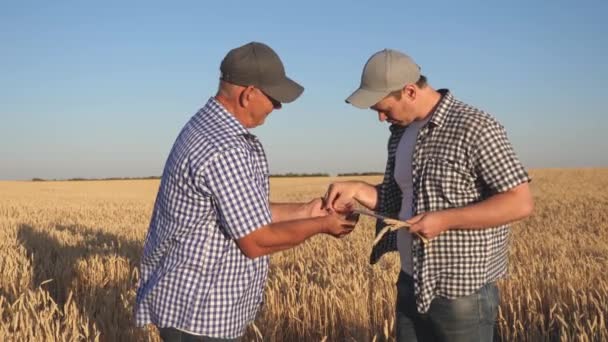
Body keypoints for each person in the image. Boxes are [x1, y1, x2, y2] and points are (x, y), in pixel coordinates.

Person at [134, 42, 358, 341]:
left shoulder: (206, 127)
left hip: (188, 307)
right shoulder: (226, 147)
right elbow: (256, 241)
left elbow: (243, 212)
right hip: (199, 315)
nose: (278, 106)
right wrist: (322, 225)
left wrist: (308, 210)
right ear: (248, 93)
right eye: (275, 98)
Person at [324, 49, 534, 341]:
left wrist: (445, 220)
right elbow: (401, 204)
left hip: (461, 292)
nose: (381, 118)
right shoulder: (401, 134)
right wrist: (358, 189)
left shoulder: (476, 127)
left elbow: (519, 202)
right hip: (410, 283)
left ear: (409, 91)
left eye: (383, 109)